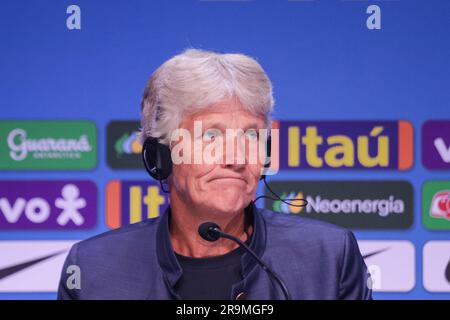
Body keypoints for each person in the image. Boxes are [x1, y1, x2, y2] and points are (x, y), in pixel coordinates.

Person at [57, 49, 372, 300]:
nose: (236, 158)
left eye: (250, 136)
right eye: (211, 136)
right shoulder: (94, 270)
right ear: (161, 155)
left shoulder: (329, 257)